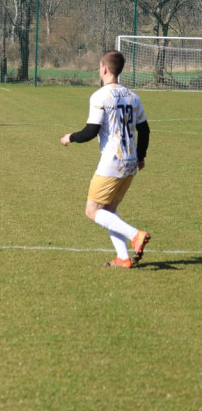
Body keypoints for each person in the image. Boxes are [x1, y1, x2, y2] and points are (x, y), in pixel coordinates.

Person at [61, 50, 151, 268]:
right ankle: (123, 257)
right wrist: (141, 156)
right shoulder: (132, 96)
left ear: (103, 69)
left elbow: (91, 131)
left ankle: (135, 235)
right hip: (130, 162)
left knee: (92, 211)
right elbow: (145, 130)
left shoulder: (100, 96)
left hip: (112, 162)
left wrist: (70, 137)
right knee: (109, 211)